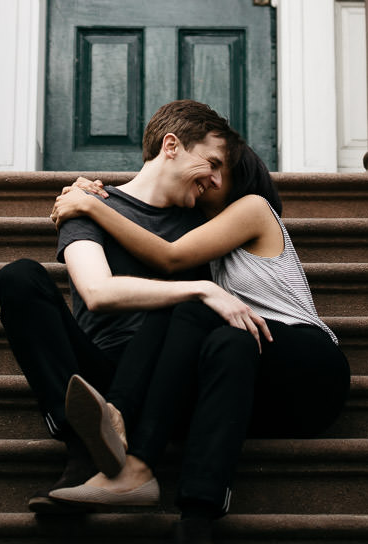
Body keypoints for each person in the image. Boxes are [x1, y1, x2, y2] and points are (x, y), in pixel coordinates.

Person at [44, 141, 351, 542]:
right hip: (255, 375)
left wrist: (90, 205)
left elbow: (168, 257)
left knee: (192, 299)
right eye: (210, 165)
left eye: (224, 170)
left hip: (309, 365)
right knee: (218, 332)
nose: (213, 178)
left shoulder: (253, 208)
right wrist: (91, 189)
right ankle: (197, 518)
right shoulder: (197, 230)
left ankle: (127, 437)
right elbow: (148, 212)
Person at [0, 100, 271, 513]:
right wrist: (198, 289)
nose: (214, 181)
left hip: (170, 379)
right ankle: (84, 443)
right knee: (19, 278)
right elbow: (98, 293)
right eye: (211, 163)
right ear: (171, 145)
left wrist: (197, 290)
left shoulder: (203, 226)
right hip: (98, 372)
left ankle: (114, 457)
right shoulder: (87, 206)